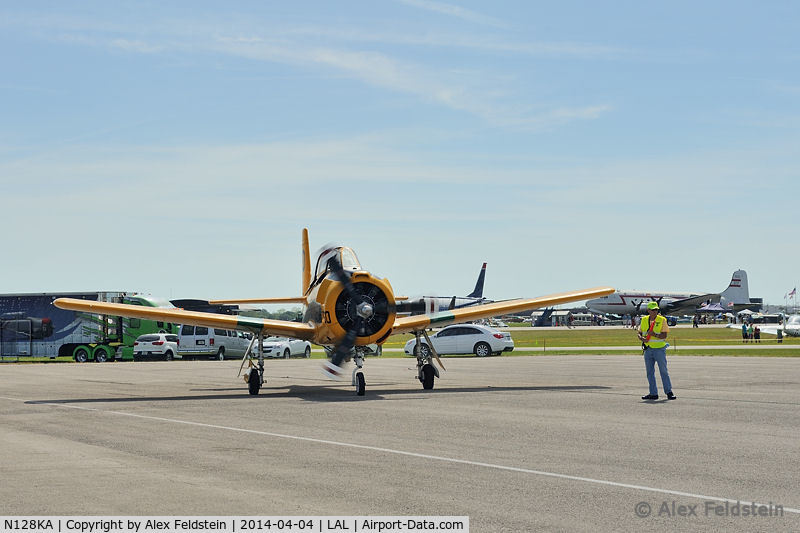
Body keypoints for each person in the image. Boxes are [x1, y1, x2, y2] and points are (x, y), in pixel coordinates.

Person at [637, 301, 675, 400]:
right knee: (650, 372)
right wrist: (641, 338)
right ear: (648, 310)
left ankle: (669, 392)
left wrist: (654, 334)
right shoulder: (644, 320)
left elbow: (665, 335)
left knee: (663, 371)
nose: (655, 311)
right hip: (648, 349)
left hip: (659, 349)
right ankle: (653, 393)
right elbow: (639, 332)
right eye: (653, 310)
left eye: (656, 310)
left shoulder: (662, 320)